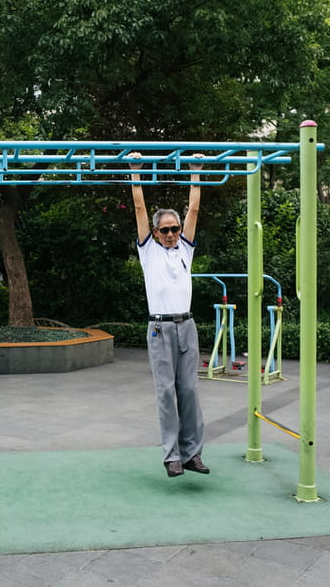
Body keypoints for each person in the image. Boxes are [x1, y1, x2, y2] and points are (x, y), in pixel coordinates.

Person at [129, 152, 208, 478]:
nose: (171, 234)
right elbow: (139, 210)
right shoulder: (148, 250)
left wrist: (195, 171)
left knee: (189, 390)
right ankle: (172, 456)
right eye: (165, 230)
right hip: (160, 329)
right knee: (165, 392)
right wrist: (135, 172)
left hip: (186, 325)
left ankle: (192, 454)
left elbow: (194, 209)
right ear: (156, 232)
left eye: (174, 229)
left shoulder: (185, 250)